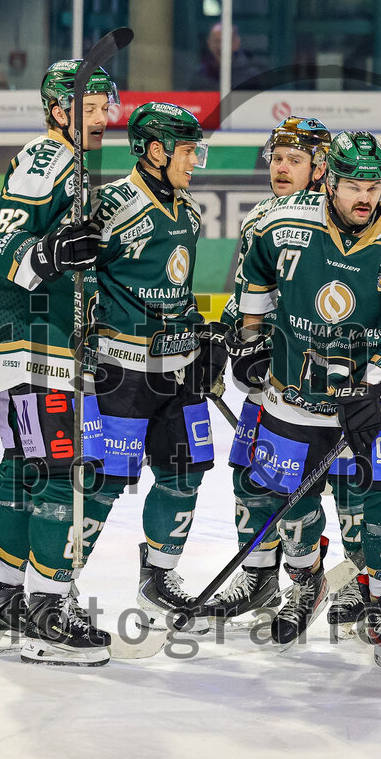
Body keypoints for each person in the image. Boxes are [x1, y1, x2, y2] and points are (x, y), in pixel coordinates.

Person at [233, 130, 381, 673]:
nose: (364, 197)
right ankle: (307, 584)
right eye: (353, 186)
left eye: (373, 186)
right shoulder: (281, 224)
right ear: (330, 183)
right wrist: (252, 338)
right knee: (290, 497)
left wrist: (373, 387)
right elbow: (255, 277)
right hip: (295, 396)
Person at [203, 116, 374, 631]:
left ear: (322, 168)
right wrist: (229, 338)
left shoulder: (343, 224)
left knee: (350, 483)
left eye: (294, 159)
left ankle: (359, 580)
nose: (280, 167)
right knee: (256, 478)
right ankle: (261, 576)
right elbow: (247, 294)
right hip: (272, 380)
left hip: (335, 382)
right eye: (276, 158)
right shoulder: (263, 218)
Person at [0, 59, 120, 666]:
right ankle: (46, 616)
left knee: (22, 471)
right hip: (36, 342)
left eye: (106, 108)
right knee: (61, 472)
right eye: (89, 109)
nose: (102, 119)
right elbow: (2, 245)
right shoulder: (49, 156)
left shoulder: (71, 163)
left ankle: (4, 607)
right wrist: (51, 253)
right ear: (58, 111)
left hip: (23, 343)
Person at [91, 102, 225, 633]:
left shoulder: (188, 210)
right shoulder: (112, 206)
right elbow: (76, 279)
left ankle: (158, 579)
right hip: (121, 372)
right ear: (154, 150)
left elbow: (177, 288)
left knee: (185, 473)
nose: (195, 161)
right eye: (187, 151)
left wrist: (200, 334)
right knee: (104, 482)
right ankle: (58, 584)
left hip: (179, 369)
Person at [186, 22, 264, 90]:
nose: (220, 47)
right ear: (209, 43)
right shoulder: (199, 76)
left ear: (236, 43)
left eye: (225, 42)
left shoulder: (251, 76)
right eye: (216, 41)